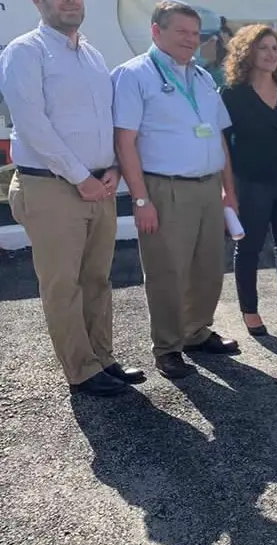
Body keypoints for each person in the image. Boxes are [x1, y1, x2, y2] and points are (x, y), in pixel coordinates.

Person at [0, 0, 143, 397]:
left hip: (98, 186)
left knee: (97, 279)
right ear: (39, 3)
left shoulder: (93, 55)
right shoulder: (24, 51)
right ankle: (81, 371)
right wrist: (81, 177)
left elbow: (107, 117)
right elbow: (32, 126)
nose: (70, 2)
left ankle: (103, 358)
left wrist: (113, 167)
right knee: (63, 284)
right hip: (51, 187)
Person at [112, 1, 240, 379]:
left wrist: (228, 191)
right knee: (167, 272)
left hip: (207, 189)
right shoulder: (134, 75)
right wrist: (140, 199)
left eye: (195, 32)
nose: (191, 39)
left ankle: (195, 332)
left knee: (207, 269)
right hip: (164, 189)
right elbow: (125, 143)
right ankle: (167, 347)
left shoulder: (201, 77)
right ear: (156, 32)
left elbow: (218, 138)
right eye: (181, 31)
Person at [220, 25, 277, 336]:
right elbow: (222, 146)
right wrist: (227, 189)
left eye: (275, 48)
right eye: (263, 47)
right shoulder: (232, 95)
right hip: (252, 182)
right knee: (250, 247)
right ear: (247, 52)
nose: (271, 54)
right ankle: (250, 309)